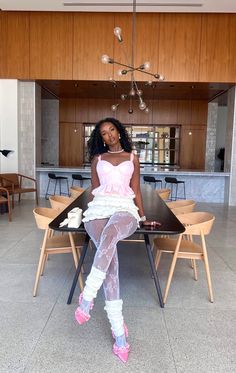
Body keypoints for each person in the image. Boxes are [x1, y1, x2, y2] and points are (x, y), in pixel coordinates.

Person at [74, 117, 160, 363]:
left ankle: (87, 294)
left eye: (112, 130)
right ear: (100, 137)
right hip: (99, 209)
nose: (109, 135)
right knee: (109, 259)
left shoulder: (133, 158)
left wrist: (142, 216)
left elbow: (136, 189)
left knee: (109, 237)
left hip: (124, 209)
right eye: (103, 132)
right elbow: (95, 190)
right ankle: (119, 332)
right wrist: (87, 214)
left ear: (119, 132)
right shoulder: (97, 160)